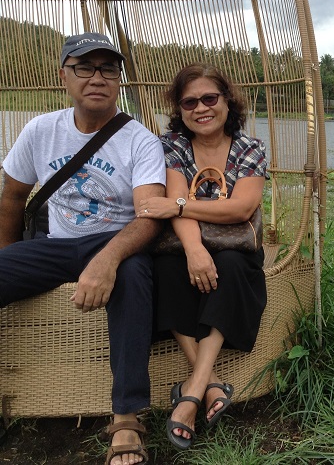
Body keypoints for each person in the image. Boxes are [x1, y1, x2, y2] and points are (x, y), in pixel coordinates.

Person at [0, 32, 166, 465]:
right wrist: (11, 258)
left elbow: (150, 215)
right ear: (64, 76)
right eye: (84, 67)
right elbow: (12, 198)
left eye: (108, 68)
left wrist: (107, 258)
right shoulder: (41, 130)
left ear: (119, 80)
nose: (97, 77)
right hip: (56, 244)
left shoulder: (140, 140)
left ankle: (126, 416)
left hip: (119, 243)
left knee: (133, 275)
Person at [137, 62, 267, 450]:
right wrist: (194, 250)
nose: (201, 108)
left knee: (230, 264)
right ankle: (210, 384)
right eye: (189, 102)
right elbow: (177, 201)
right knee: (165, 266)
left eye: (209, 98)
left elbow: (241, 209)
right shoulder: (172, 146)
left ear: (227, 101)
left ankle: (192, 388)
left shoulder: (249, 148)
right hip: (183, 244)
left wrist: (178, 205)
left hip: (236, 248)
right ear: (180, 110)